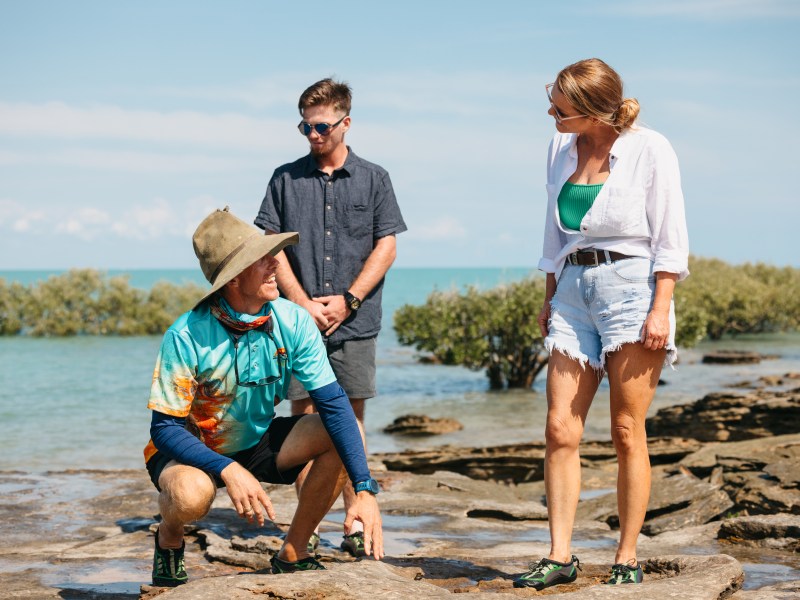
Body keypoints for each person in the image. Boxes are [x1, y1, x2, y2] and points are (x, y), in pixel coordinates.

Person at [513, 59, 689, 590]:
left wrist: (660, 308)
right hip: (571, 290)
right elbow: (553, 233)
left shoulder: (650, 148)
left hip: (632, 290)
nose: (550, 114)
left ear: (590, 110)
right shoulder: (557, 149)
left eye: (560, 108)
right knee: (559, 429)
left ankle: (626, 556)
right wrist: (548, 297)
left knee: (625, 431)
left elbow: (670, 238)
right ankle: (560, 556)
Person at [143, 207, 384, 588]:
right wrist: (227, 468)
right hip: (189, 451)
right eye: (262, 259)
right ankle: (169, 535)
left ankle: (293, 551)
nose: (276, 263)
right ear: (234, 277)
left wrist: (365, 488)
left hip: (256, 440)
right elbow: (164, 430)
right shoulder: (187, 334)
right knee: (191, 497)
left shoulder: (293, 320)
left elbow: (334, 405)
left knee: (343, 430)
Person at [255, 78, 406, 557]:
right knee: (303, 420)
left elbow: (387, 244)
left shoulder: (374, 178)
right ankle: (307, 527)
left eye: (321, 126)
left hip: (355, 321)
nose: (312, 135)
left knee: (351, 417)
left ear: (346, 122)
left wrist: (349, 300)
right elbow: (269, 248)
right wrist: (300, 304)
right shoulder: (284, 178)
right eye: (305, 126)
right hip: (296, 323)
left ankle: (354, 520)